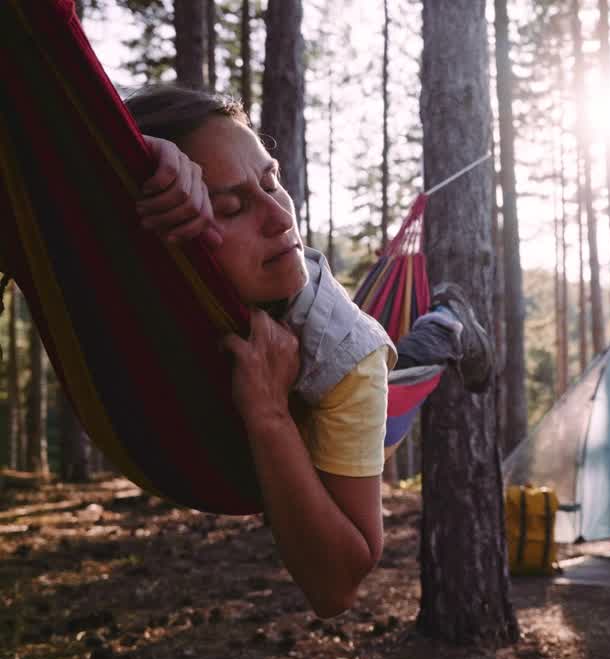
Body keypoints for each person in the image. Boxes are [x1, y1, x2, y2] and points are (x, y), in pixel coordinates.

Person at [126, 85, 492, 617]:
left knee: (406, 376)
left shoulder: (346, 362)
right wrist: (140, 157)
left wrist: (271, 414)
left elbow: (337, 587)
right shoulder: (124, 262)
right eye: (231, 207)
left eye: (273, 180)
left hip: (358, 384)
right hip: (309, 329)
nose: (281, 219)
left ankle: (448, 322)